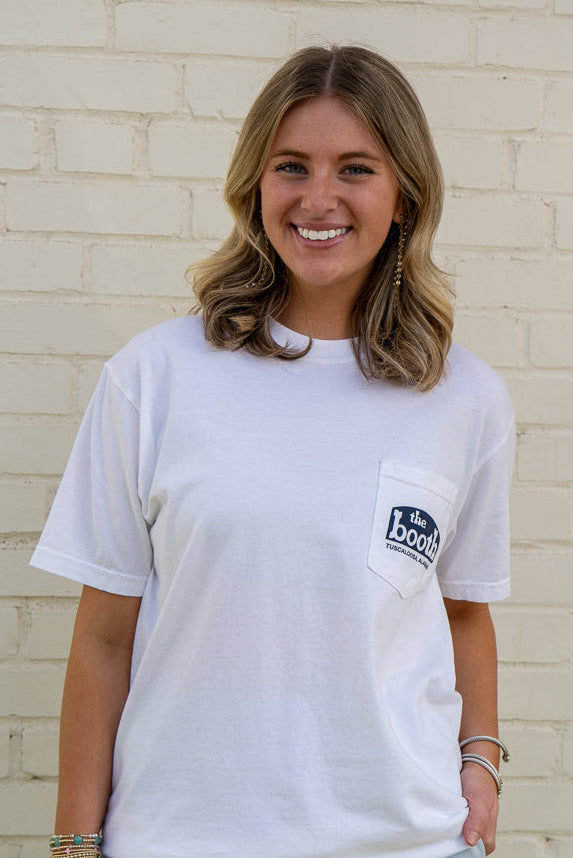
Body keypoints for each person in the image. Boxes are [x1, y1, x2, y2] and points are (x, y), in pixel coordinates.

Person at [31, 45, 514, 858]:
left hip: (406, 841)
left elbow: (463, 613)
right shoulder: (155, 377)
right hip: (181, 837)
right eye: (291, 166)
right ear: (256, 186)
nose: (317, 198)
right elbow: (104, 637)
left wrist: (481, 762)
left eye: (355, 169)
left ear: (403, 198)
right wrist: (75, 842)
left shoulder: (463, 398)